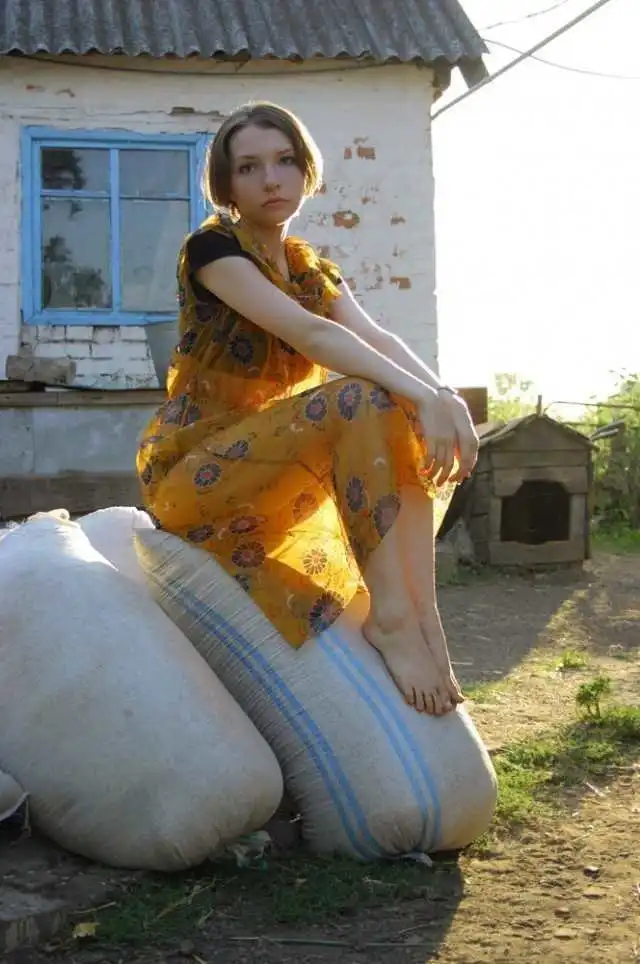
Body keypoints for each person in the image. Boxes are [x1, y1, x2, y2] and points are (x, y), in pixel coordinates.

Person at [136, 102, 479, 716]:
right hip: (201, 470)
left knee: (396, 402)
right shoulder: (213, 250)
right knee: (363, 396)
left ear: (305, 170)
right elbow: (312, 335)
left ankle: (425, 617)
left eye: (285, 161)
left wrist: (442, 397)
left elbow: (377, 339)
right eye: (249, 167)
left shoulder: (307, 267)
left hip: (274, 460)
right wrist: (425, 396)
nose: (271, 179)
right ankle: (390, 617)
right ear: (227, 184)